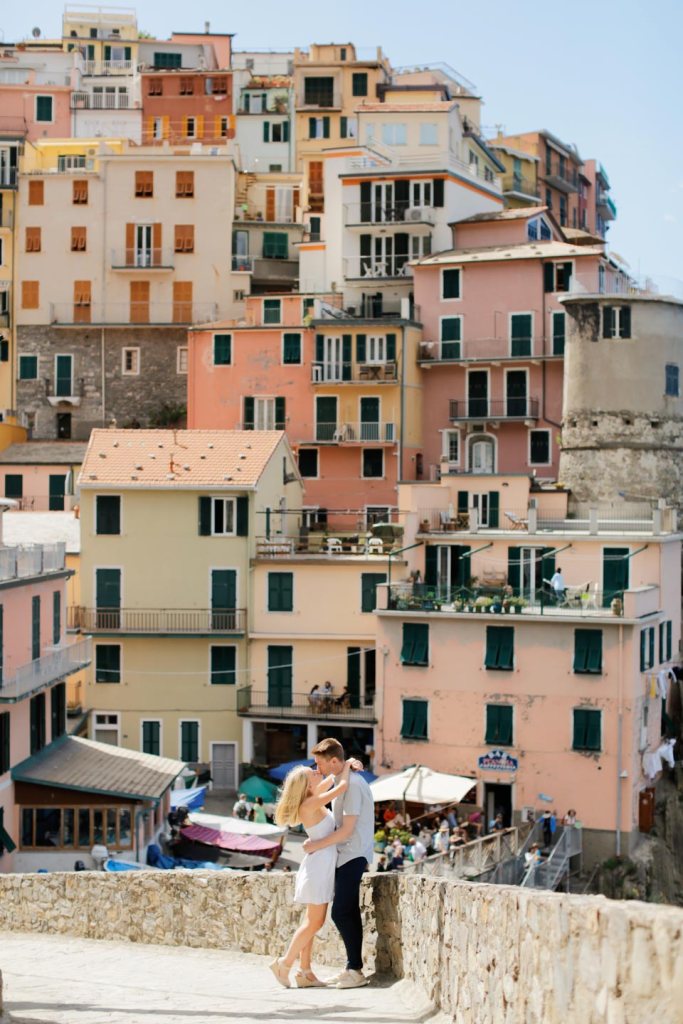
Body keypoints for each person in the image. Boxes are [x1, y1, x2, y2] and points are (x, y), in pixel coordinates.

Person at [269, 759, 352, 989]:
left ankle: (305, 972)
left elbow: (330, 781)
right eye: (313, 773)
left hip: (319, 864)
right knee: (314, 923)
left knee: (310, 922)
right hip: (318, 868)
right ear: (306, 785)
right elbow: (342, 787)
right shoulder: (312, 802)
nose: (318, 772)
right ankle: (284, 964)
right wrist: (347, 767)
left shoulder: (312, 798)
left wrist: (340, 767)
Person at [303, 737, 375, 989]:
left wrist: (314, 846)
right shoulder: (344, 779)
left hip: (352, 853)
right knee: (348, 911)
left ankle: (355, 970)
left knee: (341, 912)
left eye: (319, 764)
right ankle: (352, 968)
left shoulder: (353, 785)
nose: (316, 769)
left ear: (334, 761)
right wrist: (349, 765)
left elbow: (347, 830)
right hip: (347, 854)